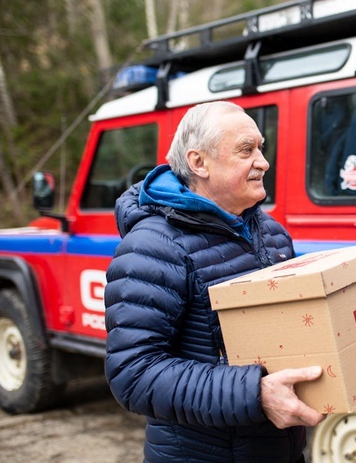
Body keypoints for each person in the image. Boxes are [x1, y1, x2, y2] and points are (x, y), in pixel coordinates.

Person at [104, 101, 324, 462]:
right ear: (198, 162)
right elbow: (133, 373)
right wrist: (256, 394)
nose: (263, 161)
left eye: (261, 148)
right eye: (246, 150)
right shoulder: (150, 248)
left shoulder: (272, 234)